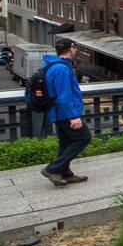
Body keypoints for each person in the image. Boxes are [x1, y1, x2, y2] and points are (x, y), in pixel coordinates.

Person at [39, 37, 92, 187]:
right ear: (71, 49)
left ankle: (65, 174)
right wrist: (74, 116)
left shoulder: (52, 64)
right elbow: (64, 96)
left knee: (65, 143)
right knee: (84, 138)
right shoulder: (61, 69)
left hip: (57, 112)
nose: (76, 50)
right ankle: (53, 169)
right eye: (75, 47)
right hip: (65, 113)